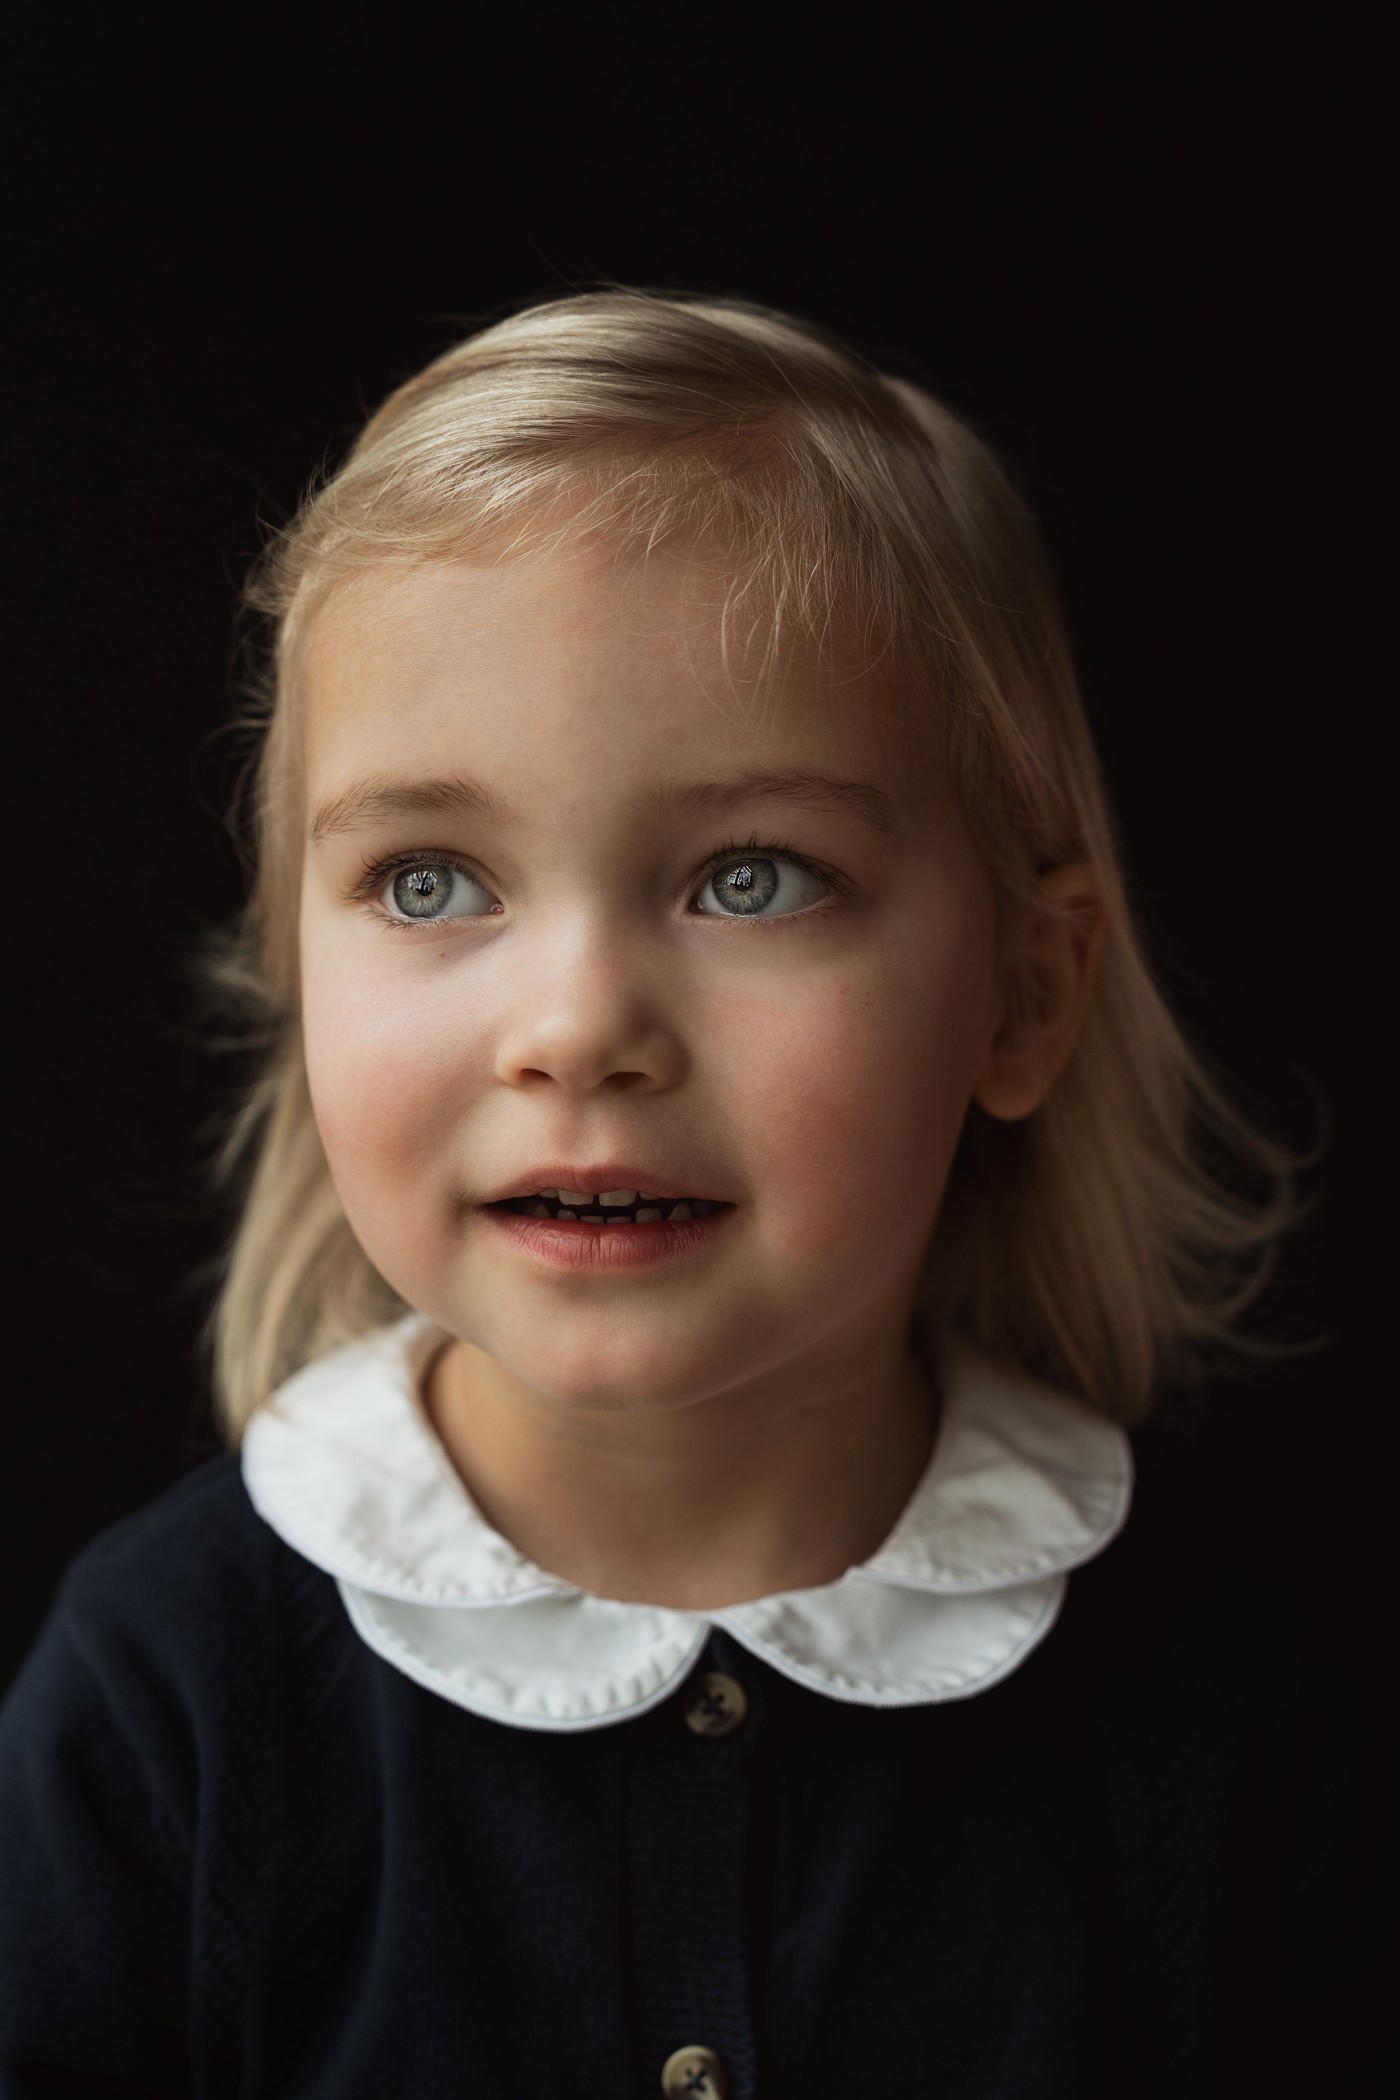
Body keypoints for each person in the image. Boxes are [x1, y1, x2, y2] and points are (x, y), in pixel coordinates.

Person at [0, 293, 1378, 2099]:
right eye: (428, 884)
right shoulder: (174, 1695)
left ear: (1026, 996)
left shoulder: (1225, 1700)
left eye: (750, 878)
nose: (579, 1031)